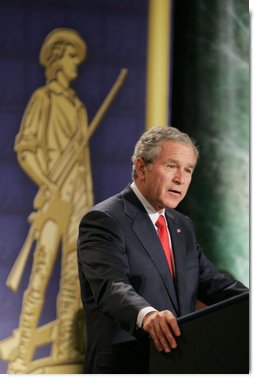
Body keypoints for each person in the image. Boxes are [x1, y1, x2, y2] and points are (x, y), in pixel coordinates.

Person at [77, 126, 248, 374]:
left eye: (188, 170)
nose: (181, 178)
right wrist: (147, 316)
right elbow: (111, 287)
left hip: (178, 363)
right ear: (141, 167)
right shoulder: (105, 220)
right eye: (171, 166)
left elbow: (213, 282)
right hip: (127, 365)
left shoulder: (181, 225)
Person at [9, 28, 93, 373]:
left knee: (73, 277)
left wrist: (86, 205)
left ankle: (67, 350)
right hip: (53, 197)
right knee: (41, 272)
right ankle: (23, 351)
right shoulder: (43, 99)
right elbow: (25, 148)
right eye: (72, 57)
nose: (76, 64)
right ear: (59, 58)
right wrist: (47, 183)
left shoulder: (79, 107)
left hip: (77, 198)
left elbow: (84, 164)